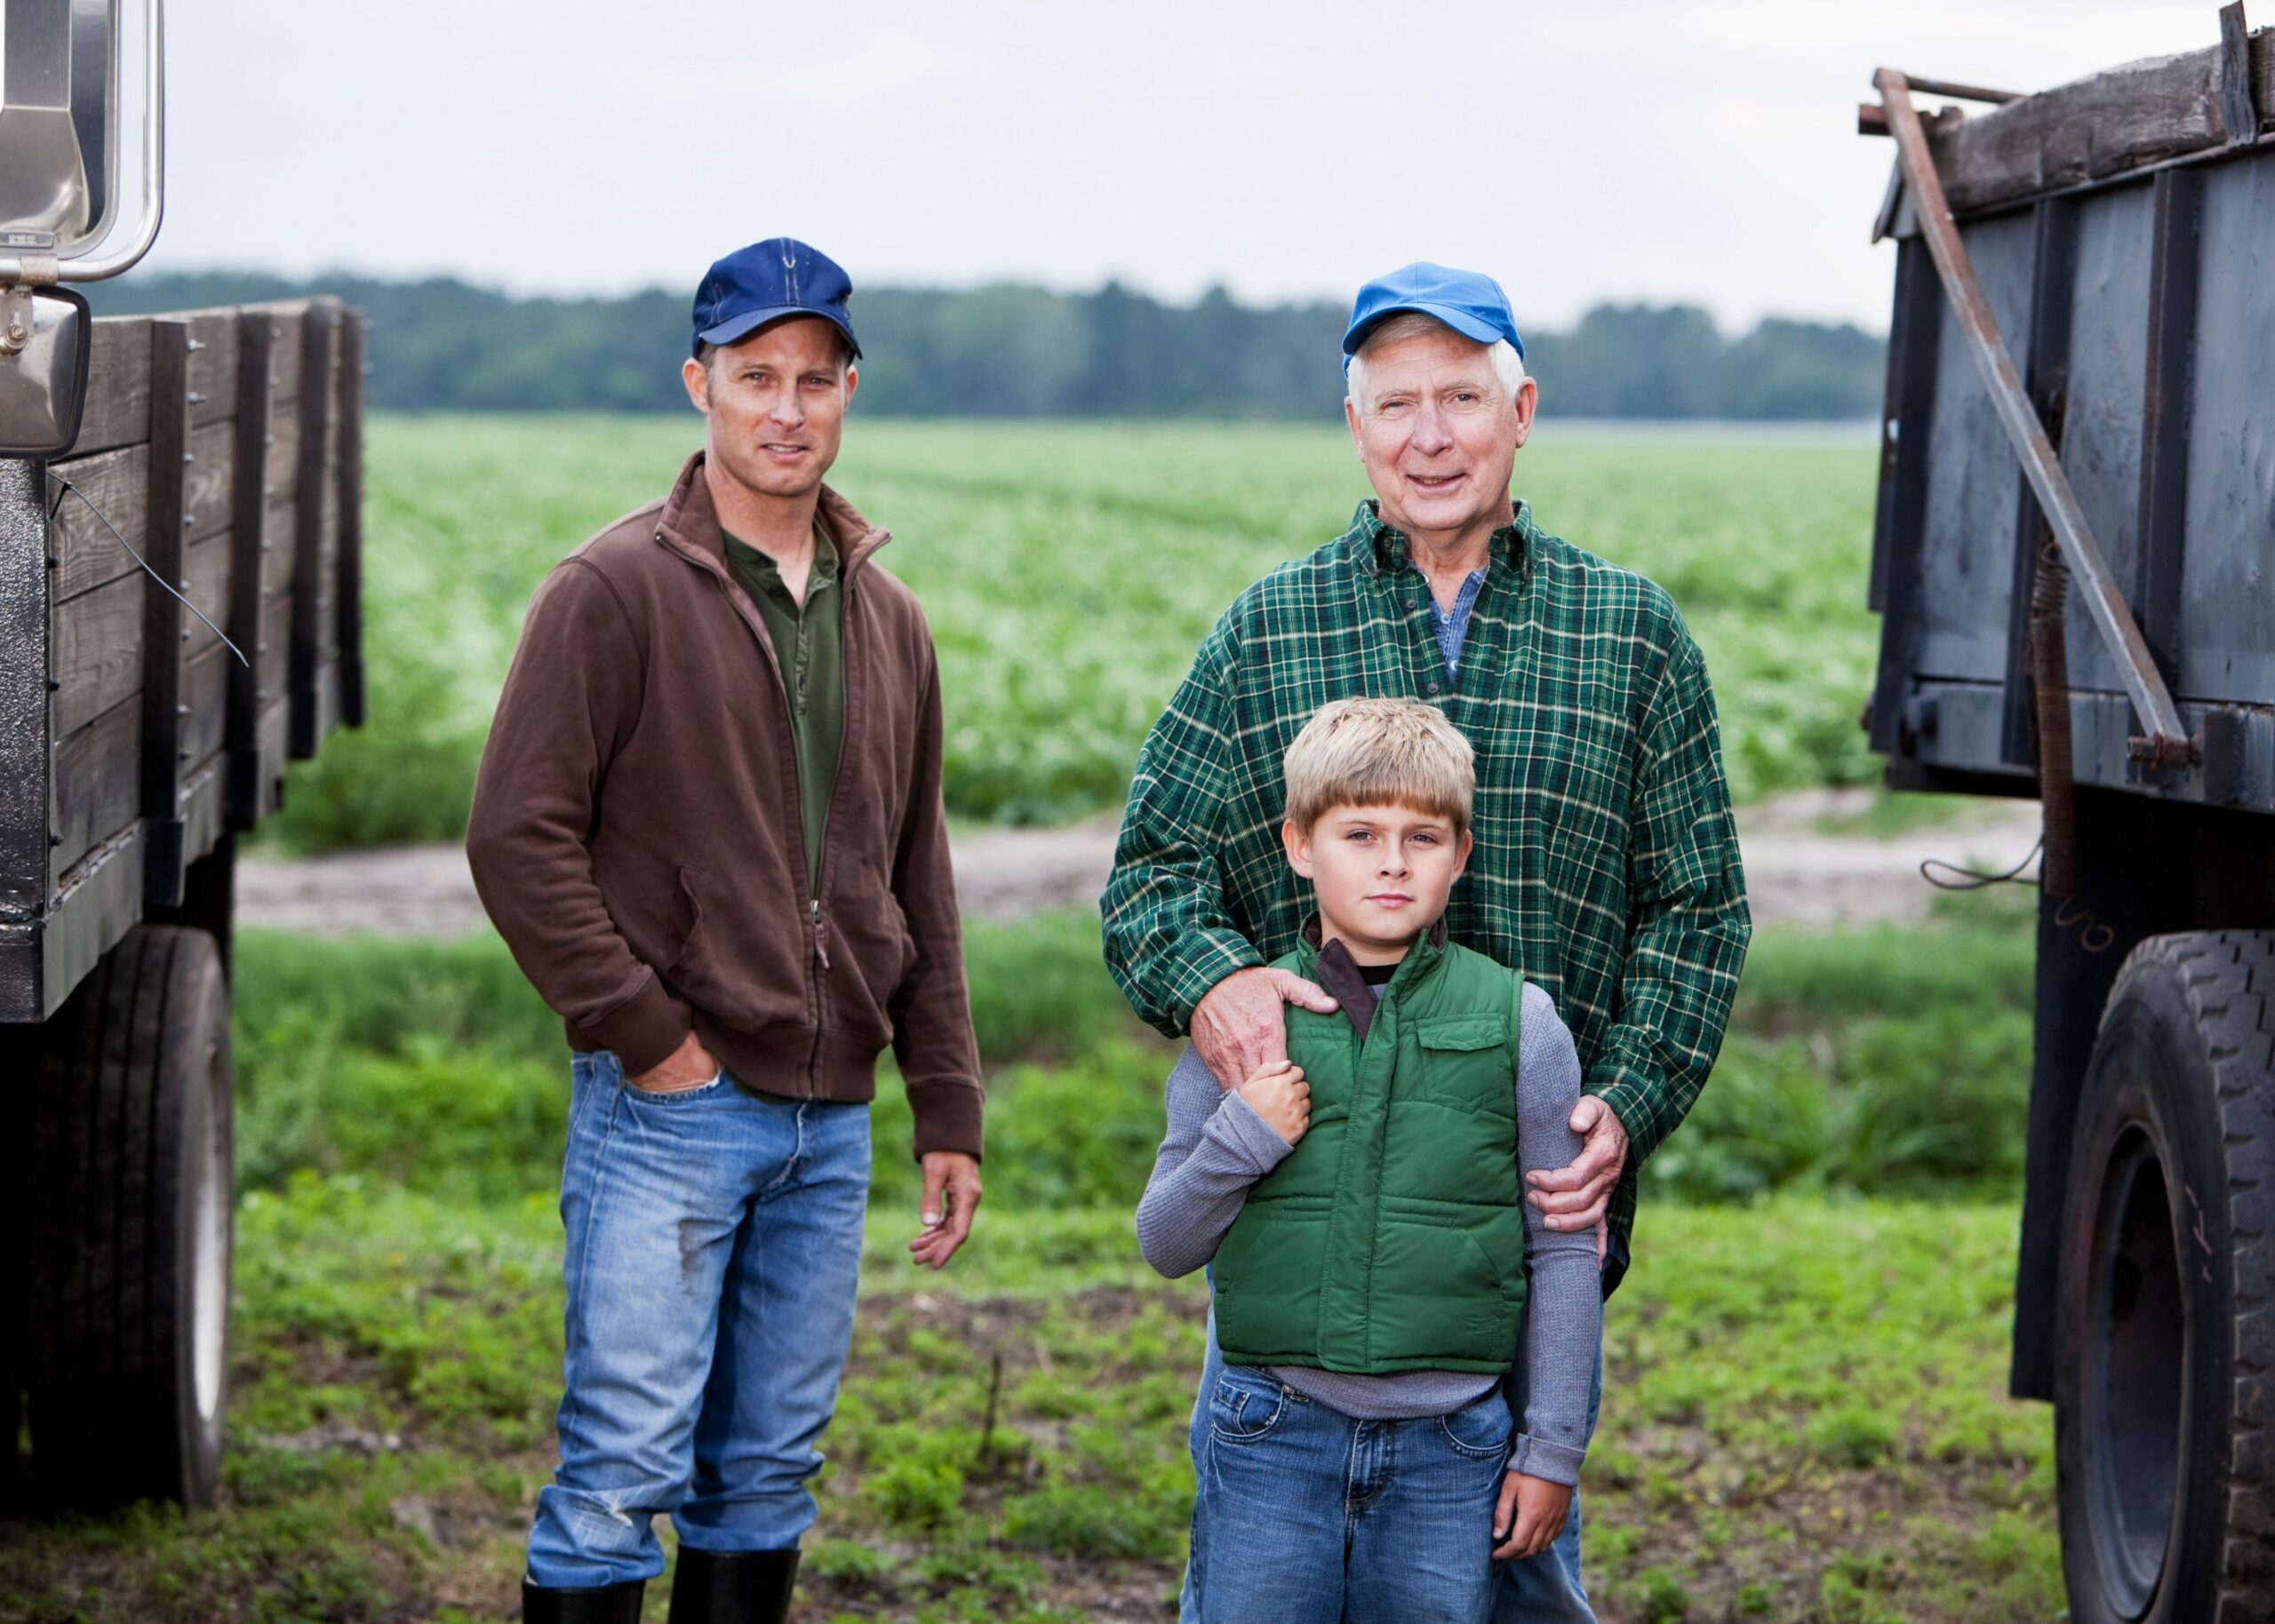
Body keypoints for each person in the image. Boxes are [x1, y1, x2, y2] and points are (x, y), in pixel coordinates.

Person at [1101, 262, 1751, 1619]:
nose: (1430, 435)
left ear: (1524, 411)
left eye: (1462, 397)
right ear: (1357, 429)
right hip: (1306, 1232)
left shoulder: (1630, 637)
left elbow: (1697, 911)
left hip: (1526, 1229)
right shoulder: (1270, 632)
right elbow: (1151, 877)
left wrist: (1628, 1105)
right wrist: (1217, 985)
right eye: (1395, 403)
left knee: (1511, 1575)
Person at [467, 238, 985, 1624]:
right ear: (700, 385)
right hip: (671, 1111)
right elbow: (516, 837)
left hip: (834, 1122)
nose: (786, 409)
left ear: (850, 391)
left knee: (766, 1474)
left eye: (815, 379)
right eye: (756, 376)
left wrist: (944, 1097)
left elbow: (916, 874)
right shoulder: (612, 590)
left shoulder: (892, 621)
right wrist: (649, 1037)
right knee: (619, 1472)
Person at [1137, 698, 1600, 1621]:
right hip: (1271, 1433)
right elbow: (1165, 1241)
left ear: (1460, 856)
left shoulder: (1522, 1022)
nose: (1393, 862)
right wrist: (1244, 1137)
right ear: (1299, 845)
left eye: (1422, 837)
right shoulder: (1244, 1025)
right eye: (1359, 834)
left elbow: (1560, 1249)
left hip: (1453, 1450)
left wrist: (1550, 1450)